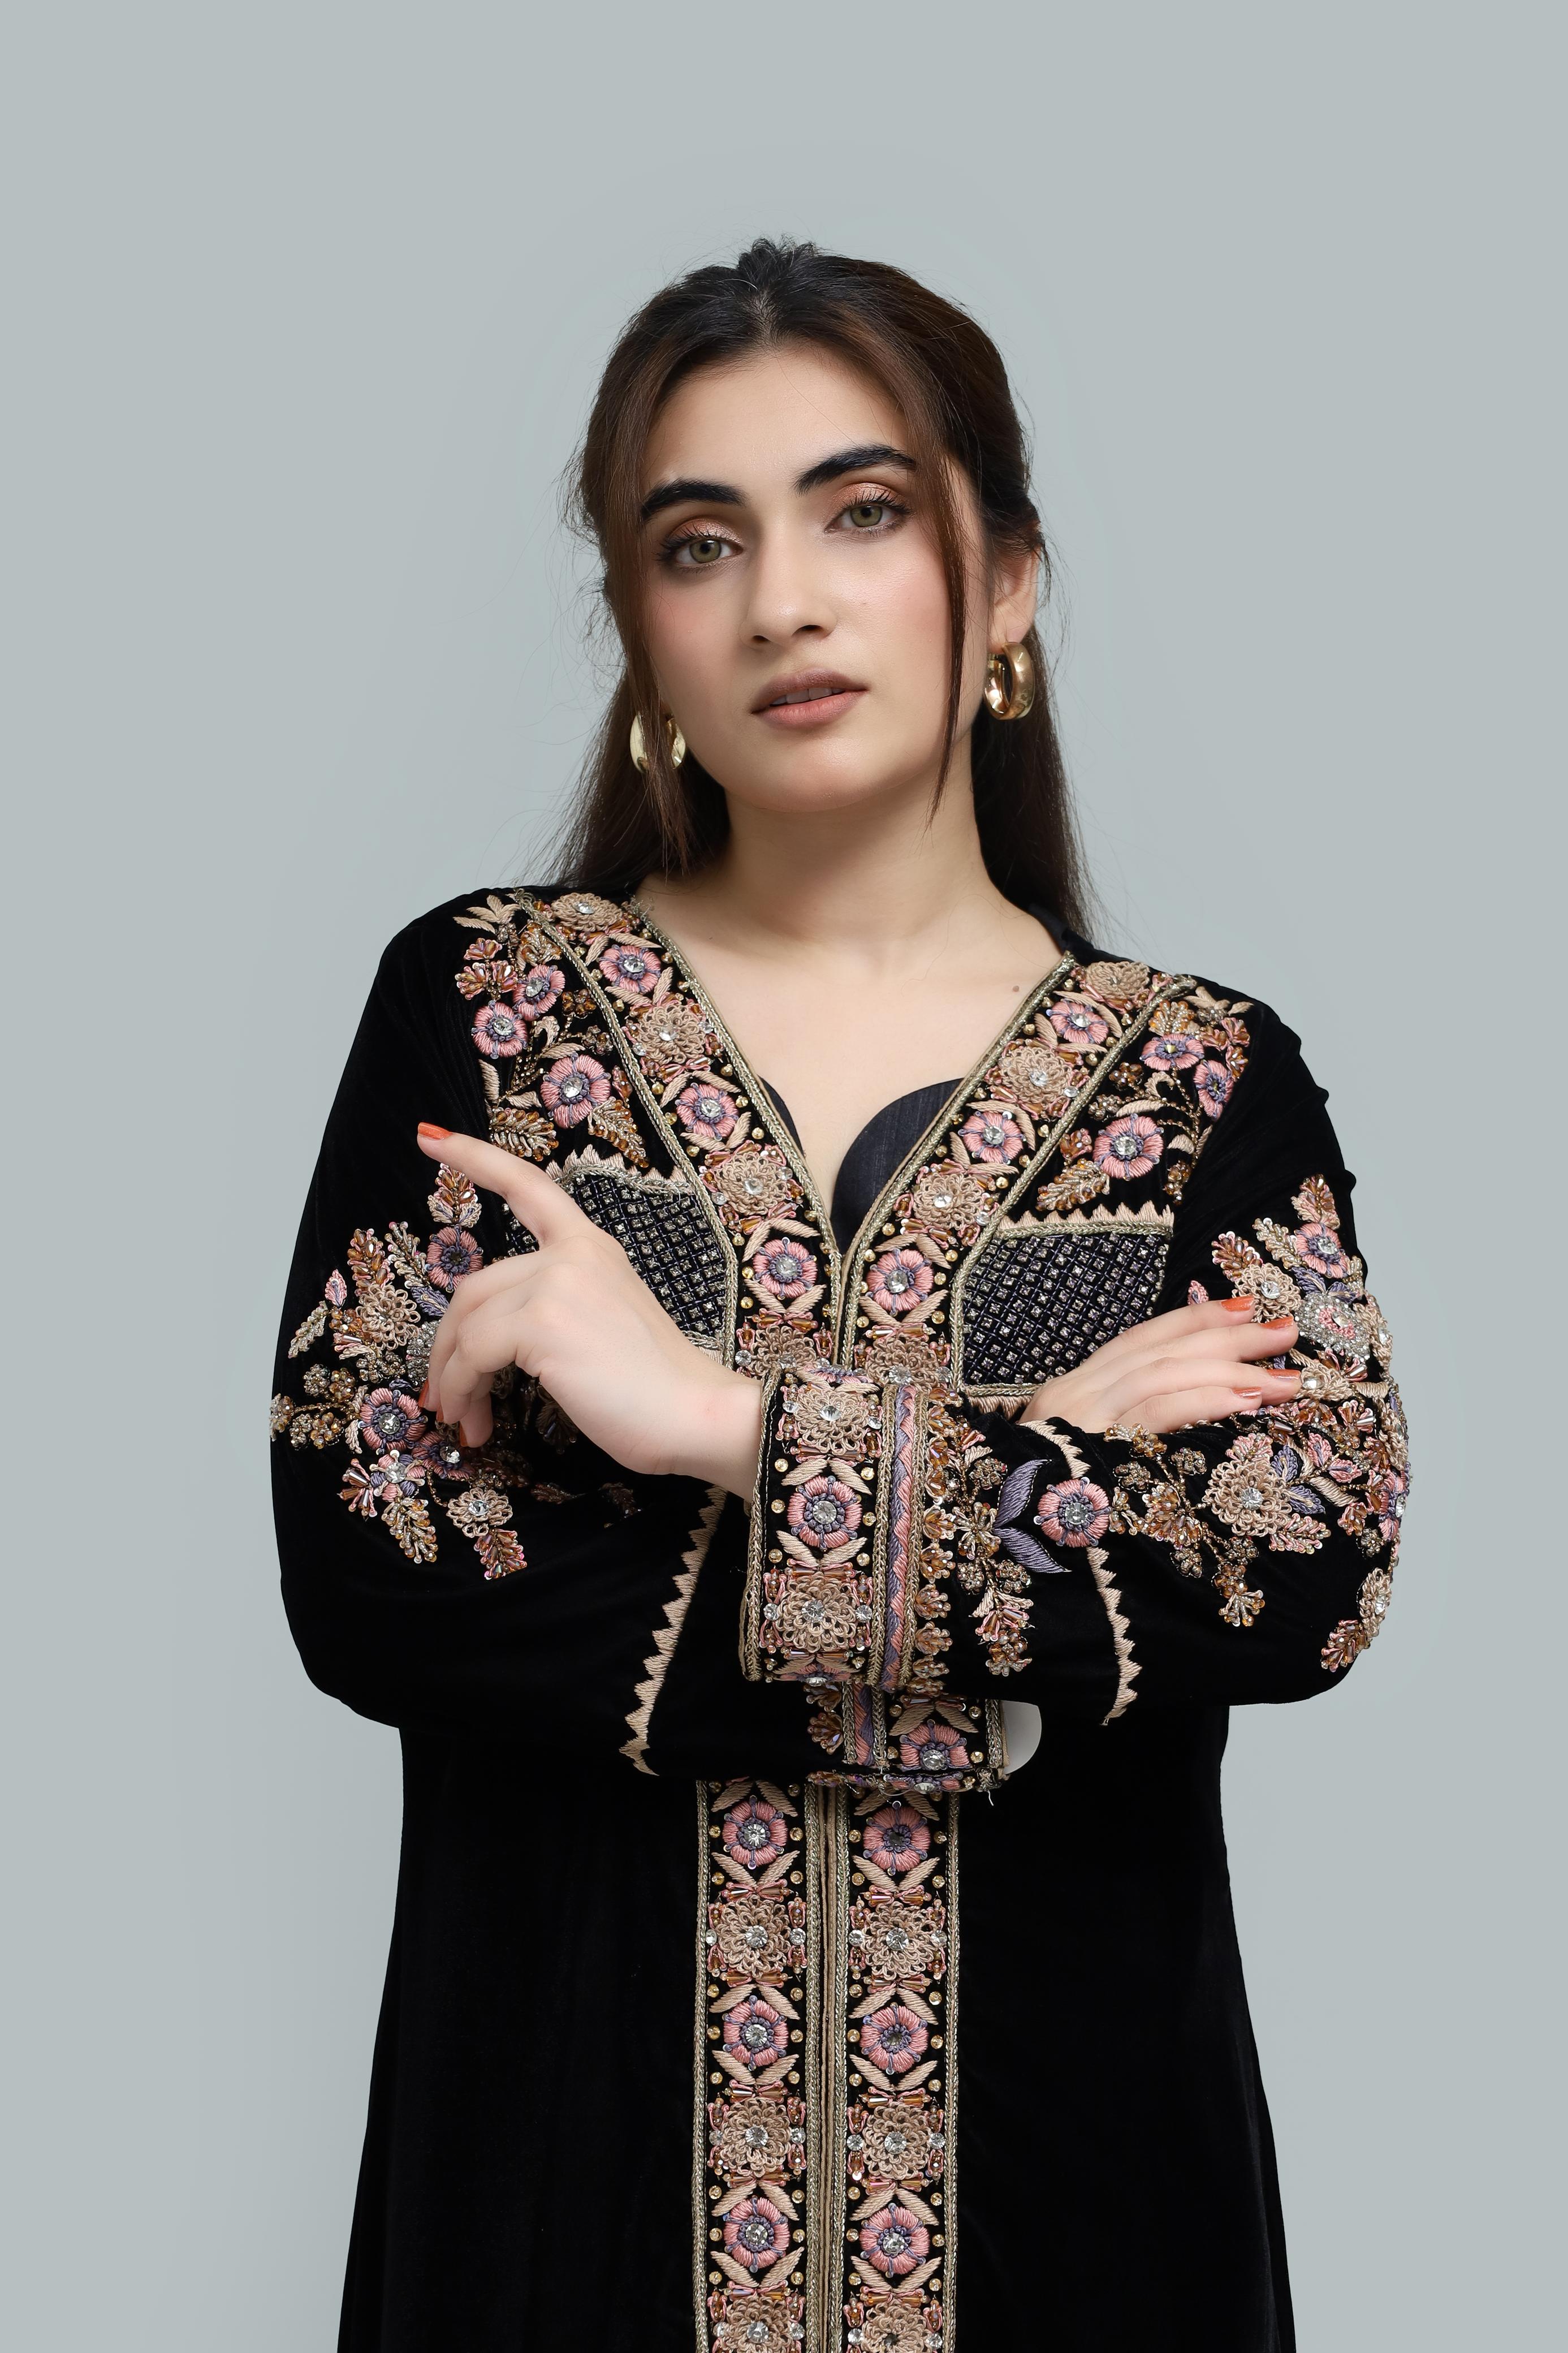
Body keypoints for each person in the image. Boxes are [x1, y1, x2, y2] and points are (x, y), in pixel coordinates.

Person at [270, 239, 1406, 2353]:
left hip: (1088, 2220)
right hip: (561, 2207)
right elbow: (384, 1569)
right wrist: (1032, 1530)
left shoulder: (1204, 1082)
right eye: (698, 543)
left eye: (862, 512)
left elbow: (1295, 1575)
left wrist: (708, 1431)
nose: (782, 600)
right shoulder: (490, 1017)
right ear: (643, 631)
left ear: (1009, 581)